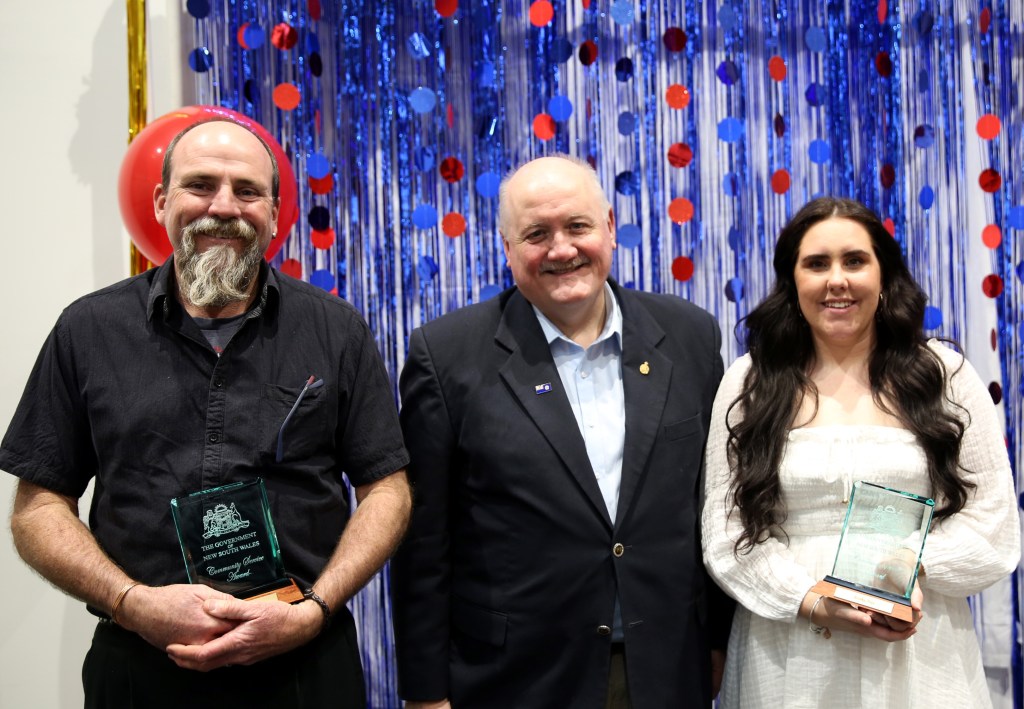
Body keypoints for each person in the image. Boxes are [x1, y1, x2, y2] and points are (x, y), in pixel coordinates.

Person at [0, 119, 412, 708]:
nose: (223, 207)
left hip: (303, 668)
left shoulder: (336, 331)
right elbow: (38, 508)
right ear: (163, 202)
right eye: (200, 185)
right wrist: (130, 602)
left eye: (247, 191)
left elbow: (387, 491)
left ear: (273, 212)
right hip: (140, 667)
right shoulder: (87, 330)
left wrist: (316, 607)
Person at [391, 154, 732, 708]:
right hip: (515, 677)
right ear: (507, 249)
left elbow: (714, 505)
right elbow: (424, 542)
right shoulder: (447, 356)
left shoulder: (689, 335)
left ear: (610, 229)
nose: (561, 249)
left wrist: (720, 640)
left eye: (577, 226)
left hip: (667, 666)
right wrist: (425, 692)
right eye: (536, 234)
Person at [702, 196, 1021, 707]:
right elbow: (726, 534)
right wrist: (812, 601)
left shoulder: (944, 376)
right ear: (792, 280)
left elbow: (995, 522)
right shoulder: (750, 382)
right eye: (816, 263)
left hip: (919, 647)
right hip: (786, 651)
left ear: (883, 273)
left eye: (854, 260)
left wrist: (905, 567)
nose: (837, 280)